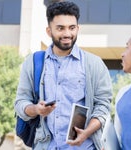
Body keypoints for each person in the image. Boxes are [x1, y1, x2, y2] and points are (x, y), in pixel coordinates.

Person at [14, 1, 112, 150]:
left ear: (78, 28)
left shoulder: (94, 64)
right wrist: (36, 109)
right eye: (60, 28)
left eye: (72, 28)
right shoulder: (34, 62)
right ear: (49, 31)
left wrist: (87, 132)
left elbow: (103, 106)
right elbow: (20, 102)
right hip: (45, 145)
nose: (67, 34)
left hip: (84, 147)